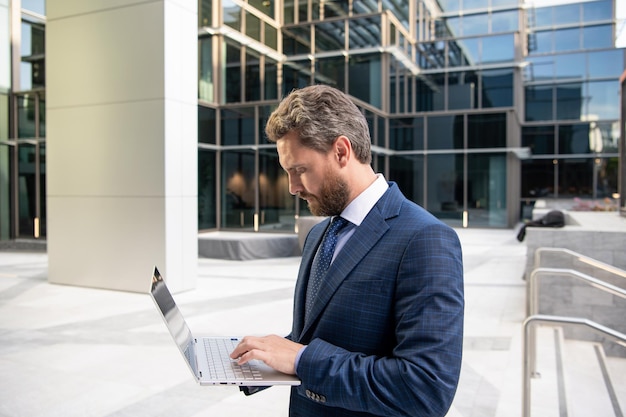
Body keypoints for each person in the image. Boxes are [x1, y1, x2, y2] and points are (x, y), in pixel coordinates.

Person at [230, 84, 464, 417]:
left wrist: (298, 358)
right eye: (288, 173)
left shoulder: (425, 239)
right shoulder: (319, 234)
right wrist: (259, 357)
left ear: (341, 151)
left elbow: (425, 389)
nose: (294, 188)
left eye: (299, 170)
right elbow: (316, 337)